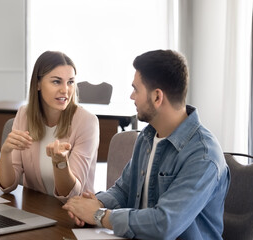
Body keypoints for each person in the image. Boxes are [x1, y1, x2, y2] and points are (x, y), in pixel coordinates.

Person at [63, 49, 230, 239]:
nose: (131, 97)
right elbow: (123, 190)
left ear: (157, 97)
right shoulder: (148, 136)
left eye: (136, 89)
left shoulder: (203, 156)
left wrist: (99, 215)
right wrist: (95, 204)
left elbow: (163, 224)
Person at [0, 51, 99, 203]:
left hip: (72, 216)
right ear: (38, 84)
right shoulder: (24, 114)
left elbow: (71, 195)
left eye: (70, 82)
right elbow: (7, 185)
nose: (65, 90)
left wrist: (60, 163)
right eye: (57, 82)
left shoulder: (87, 122)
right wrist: (5, 152)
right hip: (35, 212)